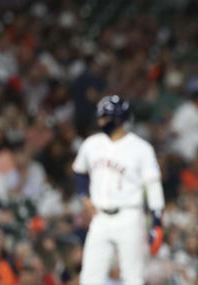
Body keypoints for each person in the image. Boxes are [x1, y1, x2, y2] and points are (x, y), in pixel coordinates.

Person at [72, 95, 165, 285]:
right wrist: (84, 197)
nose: (101, 121)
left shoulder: (141, 148)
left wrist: (157, 221)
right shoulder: (92, 143)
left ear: (119, 119)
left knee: (133, 277)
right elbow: (79, 171)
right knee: (89, 278)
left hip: (129, 217)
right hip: (100, 217)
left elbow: (153, 186)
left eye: (105, 117)